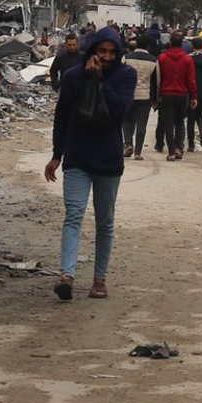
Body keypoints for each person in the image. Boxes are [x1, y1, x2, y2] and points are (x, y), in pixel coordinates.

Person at [44, 27, 136, 301]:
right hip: (77, 156)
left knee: (104, 222)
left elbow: (119, 110)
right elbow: (62, 116)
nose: (106, 57)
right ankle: (67, 275)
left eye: (111, 52)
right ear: (93, 50)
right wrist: (57, 154)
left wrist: (98, 80)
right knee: (73, 216)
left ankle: (99, 279)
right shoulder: (73, 77)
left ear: (118, 54)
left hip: (108, 158)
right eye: (101, 51)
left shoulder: (126, 76)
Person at [155, 31, 196, 160]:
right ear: (182, 43)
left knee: (168, 123)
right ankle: (179, 147)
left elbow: (158, 79)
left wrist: (157, 95)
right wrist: (194, 96)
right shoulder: (188, 59)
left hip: (166, 94)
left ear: (170, 42)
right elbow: (191, 79)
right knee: (179, 122)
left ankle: (171, 152)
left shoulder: (162, 58)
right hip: (182, 94)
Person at [122, 35, 159, 160]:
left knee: (126, 120)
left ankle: (128, 144)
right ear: (148, 46)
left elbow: (119, 76)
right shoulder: (153, 60)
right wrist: (155, 99)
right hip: (144, 96)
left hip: (127, 95)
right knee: (142, 124)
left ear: (137, 44)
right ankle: (138, 152)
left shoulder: (126, 58)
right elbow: (156, 82)